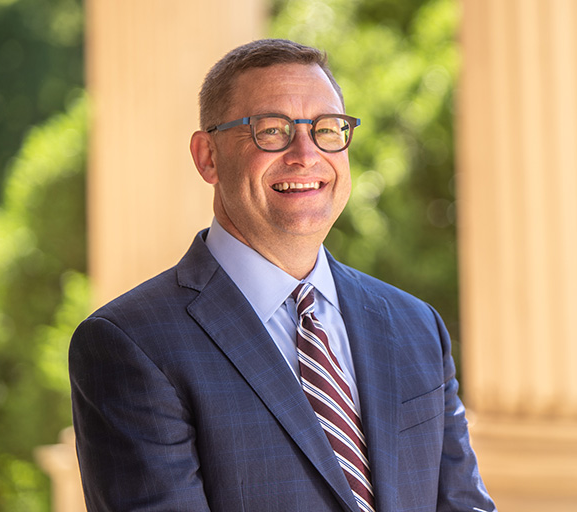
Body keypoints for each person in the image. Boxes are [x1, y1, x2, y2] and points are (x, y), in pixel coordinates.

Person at [69, 38, 495, 512]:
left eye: (327, 129)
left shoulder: (416, 327)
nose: (305, 154)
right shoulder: (130, 345)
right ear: (207, 156)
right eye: (271, 130)